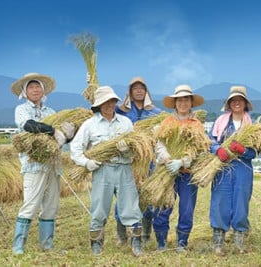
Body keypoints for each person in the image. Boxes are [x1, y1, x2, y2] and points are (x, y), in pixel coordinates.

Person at [70, 86, 143, 256]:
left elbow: (135, 150)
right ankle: (96, 243)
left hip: (124, 169)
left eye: (112, 101)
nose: (109, 105)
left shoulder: (125, 123)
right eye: (105, 102)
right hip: (102, 169)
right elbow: (75, 149)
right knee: (99, 208)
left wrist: (127, 150)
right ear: (99, 105)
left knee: (130, 206)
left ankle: (136, 243)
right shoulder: (90, 125)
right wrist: (87, 163)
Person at [10, 73, 75, 255]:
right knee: (30, 204)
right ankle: (18, 246)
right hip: (34, 165)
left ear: (43, 90)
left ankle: (47, 245)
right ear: (25, 91)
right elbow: (28, 126)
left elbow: (58, 139)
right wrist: (53, 130)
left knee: (51, 206)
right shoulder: (21, 110)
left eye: (38, 87)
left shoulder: (51, 113)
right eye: (31, 87)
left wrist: (68, 135)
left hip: (53, 166)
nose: (35, 90)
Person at [153, 84, 205, 252]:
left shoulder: (196, 124)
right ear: (175, 103)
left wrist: (182, 161)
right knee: (163, 205)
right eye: (180, 100)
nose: (183, 103)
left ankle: (182, 242)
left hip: (187, 173)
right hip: (167, 170)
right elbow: (159, 144)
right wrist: (168, 160)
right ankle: (161, 242)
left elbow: (198, 148)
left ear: (191, 102)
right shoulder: (167, 122)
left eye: (186, 100)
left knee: (187, 208)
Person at [208, 86, 257, 255]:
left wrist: (243, 150)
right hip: (222, 167)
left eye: (240, 100)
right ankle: (218, 242)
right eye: (233, 100)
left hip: (243, 168)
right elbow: (209, 141)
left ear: (245, 103)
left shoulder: (252, 126)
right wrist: (217, 149)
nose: (237, 103)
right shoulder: (220, 122)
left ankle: (239, 241)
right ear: (229, 104)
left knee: (241, 203)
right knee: (220, 201)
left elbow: (255, 152)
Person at [114, 77, 162, 245]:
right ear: (130, 92)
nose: (139, 91)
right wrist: (92, 87)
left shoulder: (155, 112)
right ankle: (122, 235)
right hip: (127, 159)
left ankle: (146, 234)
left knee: (147, 197)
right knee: (124, 196)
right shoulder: (121, 110)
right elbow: (101, 109)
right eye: (135, 88)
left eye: (142, 88)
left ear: (147, 91)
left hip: (148, 160)